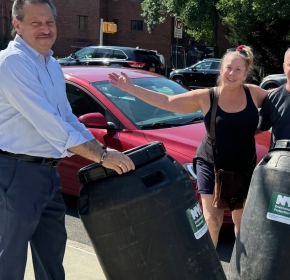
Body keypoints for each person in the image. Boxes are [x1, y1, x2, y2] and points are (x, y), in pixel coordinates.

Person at [0, 0, 135, 280]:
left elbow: (67, 118)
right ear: (17, 24)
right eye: (35, 22)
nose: (45, 29)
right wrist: (101, 155)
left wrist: (100, 147)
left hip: (45, 170)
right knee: (12, 253)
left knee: (51, 248)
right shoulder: (13, 64)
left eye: (49, 22)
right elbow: (50, 125)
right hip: (14, 171)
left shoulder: (50, 63)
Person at [109, 46, 270, 246]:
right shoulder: (207, 97)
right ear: (221, 70)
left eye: (238, 70)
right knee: (212, 220)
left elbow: (281, 96)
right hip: (210, 162)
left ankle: (242, 271)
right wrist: (131, 89)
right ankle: (209, 270)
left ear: (245, 74)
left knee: (241, 221)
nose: (232, 73)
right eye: (229, 68)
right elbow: (168, 101)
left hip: (242, 166)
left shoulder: (253, 93)